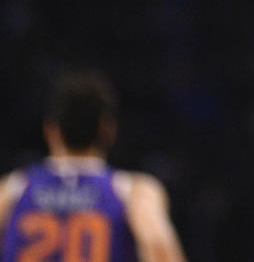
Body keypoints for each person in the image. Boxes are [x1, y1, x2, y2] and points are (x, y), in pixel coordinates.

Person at [0, 72, 186, 262]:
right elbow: (157, 245)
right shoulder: (134, 191)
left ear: (50, 130)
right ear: (108, 130)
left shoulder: (11, 190)